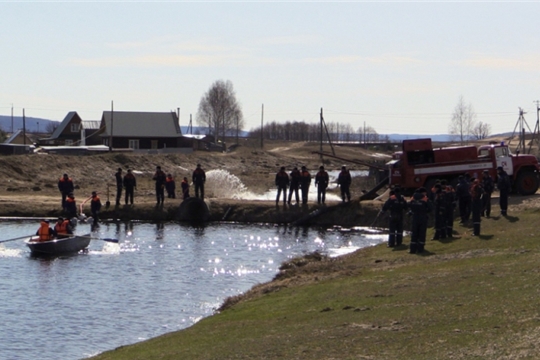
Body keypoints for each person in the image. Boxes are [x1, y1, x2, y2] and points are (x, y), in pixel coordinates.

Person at [408, 187, 432, 254]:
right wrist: (425, 211)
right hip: (423, 217)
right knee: (422, 233)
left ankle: (412, 249)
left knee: (414, 233)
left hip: (415, 217)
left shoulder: (413, 198)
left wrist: (412, 212)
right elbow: (431, 208)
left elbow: (409, 206)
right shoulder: (425, 198)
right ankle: (420, 249)